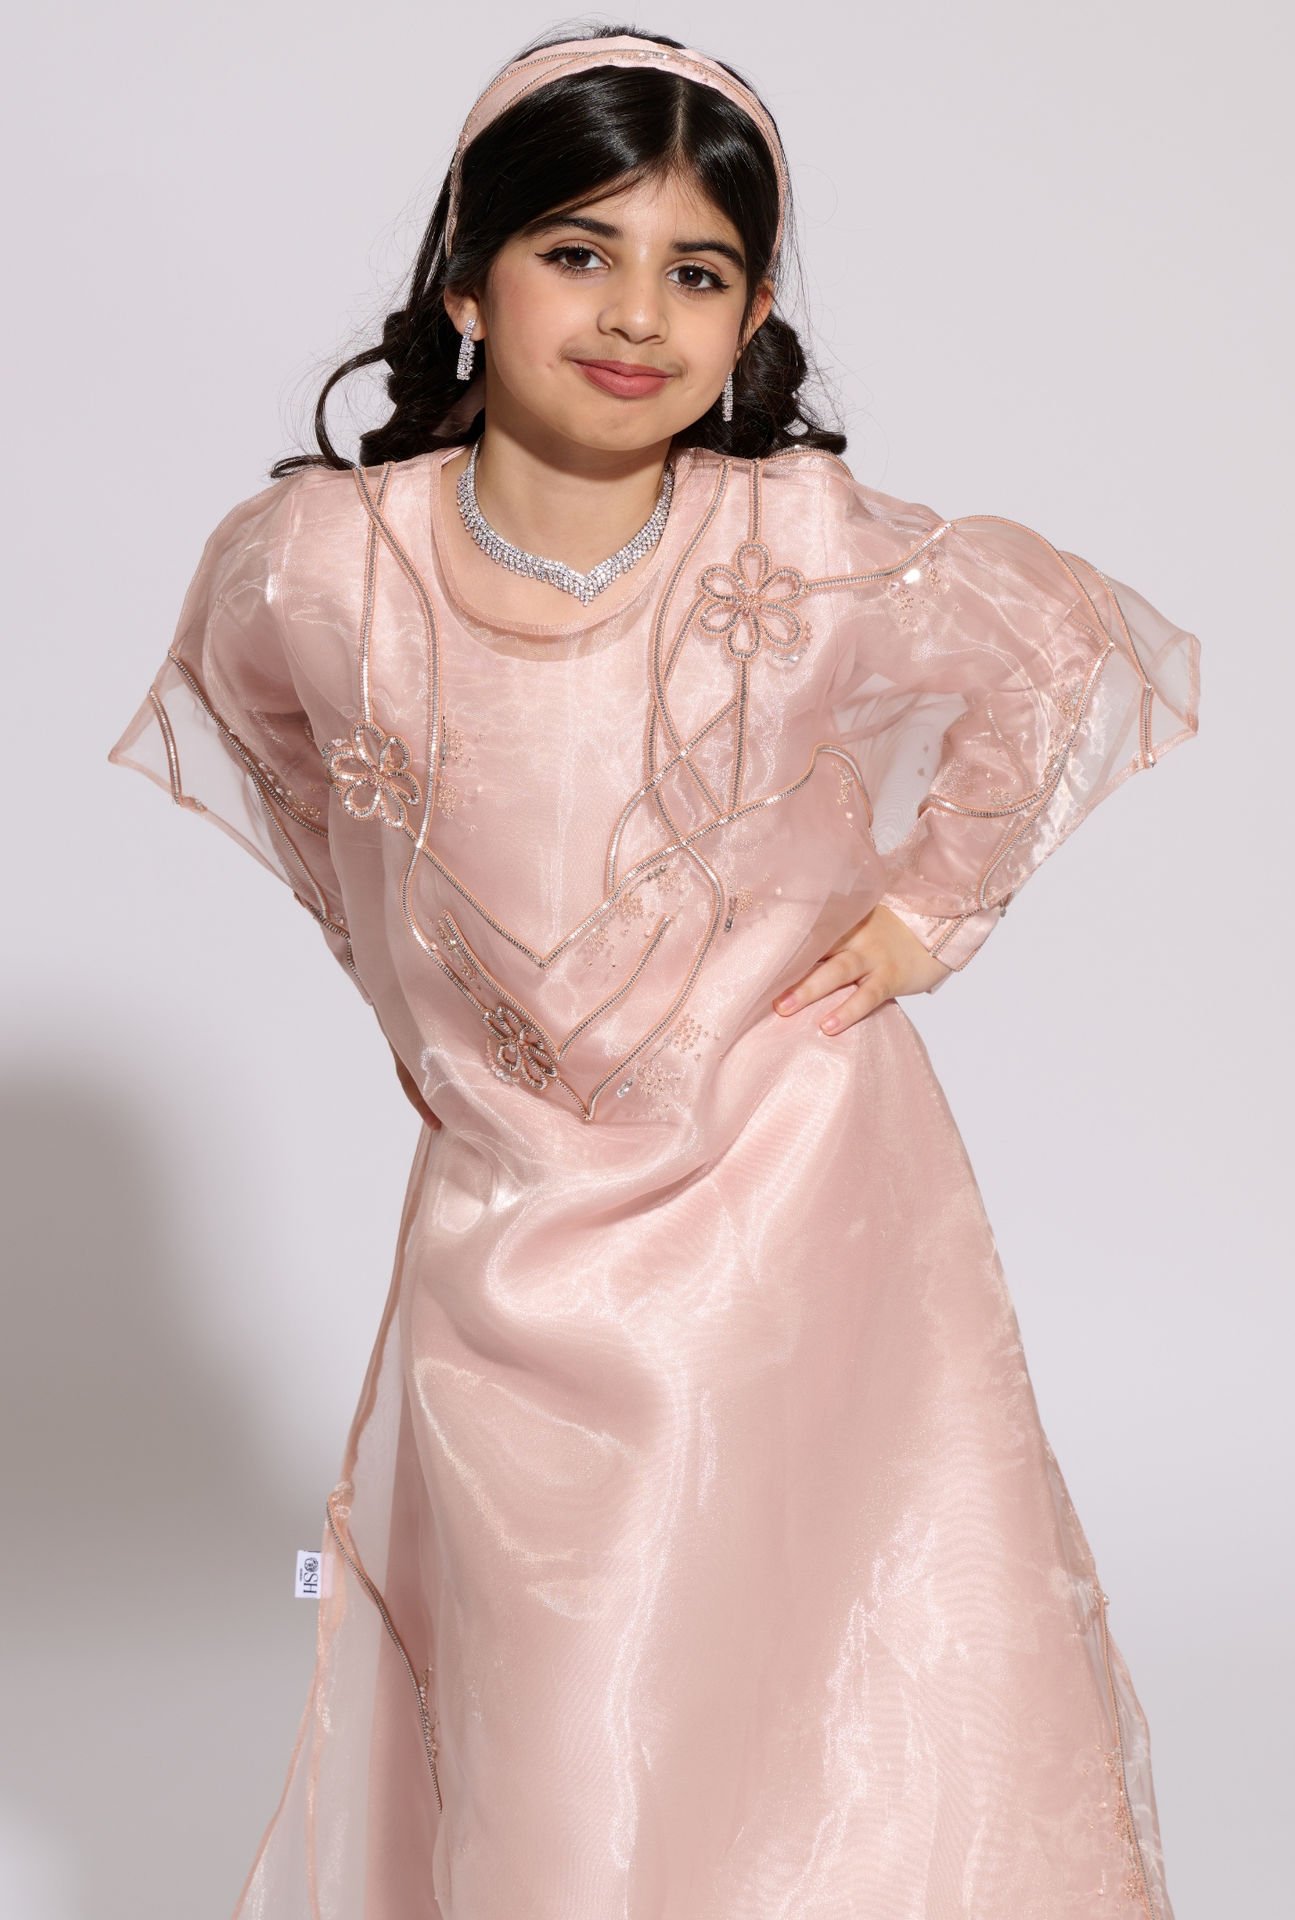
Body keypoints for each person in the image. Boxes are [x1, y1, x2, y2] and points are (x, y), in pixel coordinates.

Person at [106, 23, 1201, 1920]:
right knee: (561, 1648)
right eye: (578, 252)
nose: (636, 314)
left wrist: (928, 909)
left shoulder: (796, 540)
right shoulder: (320, 564)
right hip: (514, 1209)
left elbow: (1056, 647)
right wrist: (413, 979)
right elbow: (273, 728)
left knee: (811, 1623)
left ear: (753, 315)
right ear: (467, 281)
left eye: (698, 273)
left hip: (794, 1180)